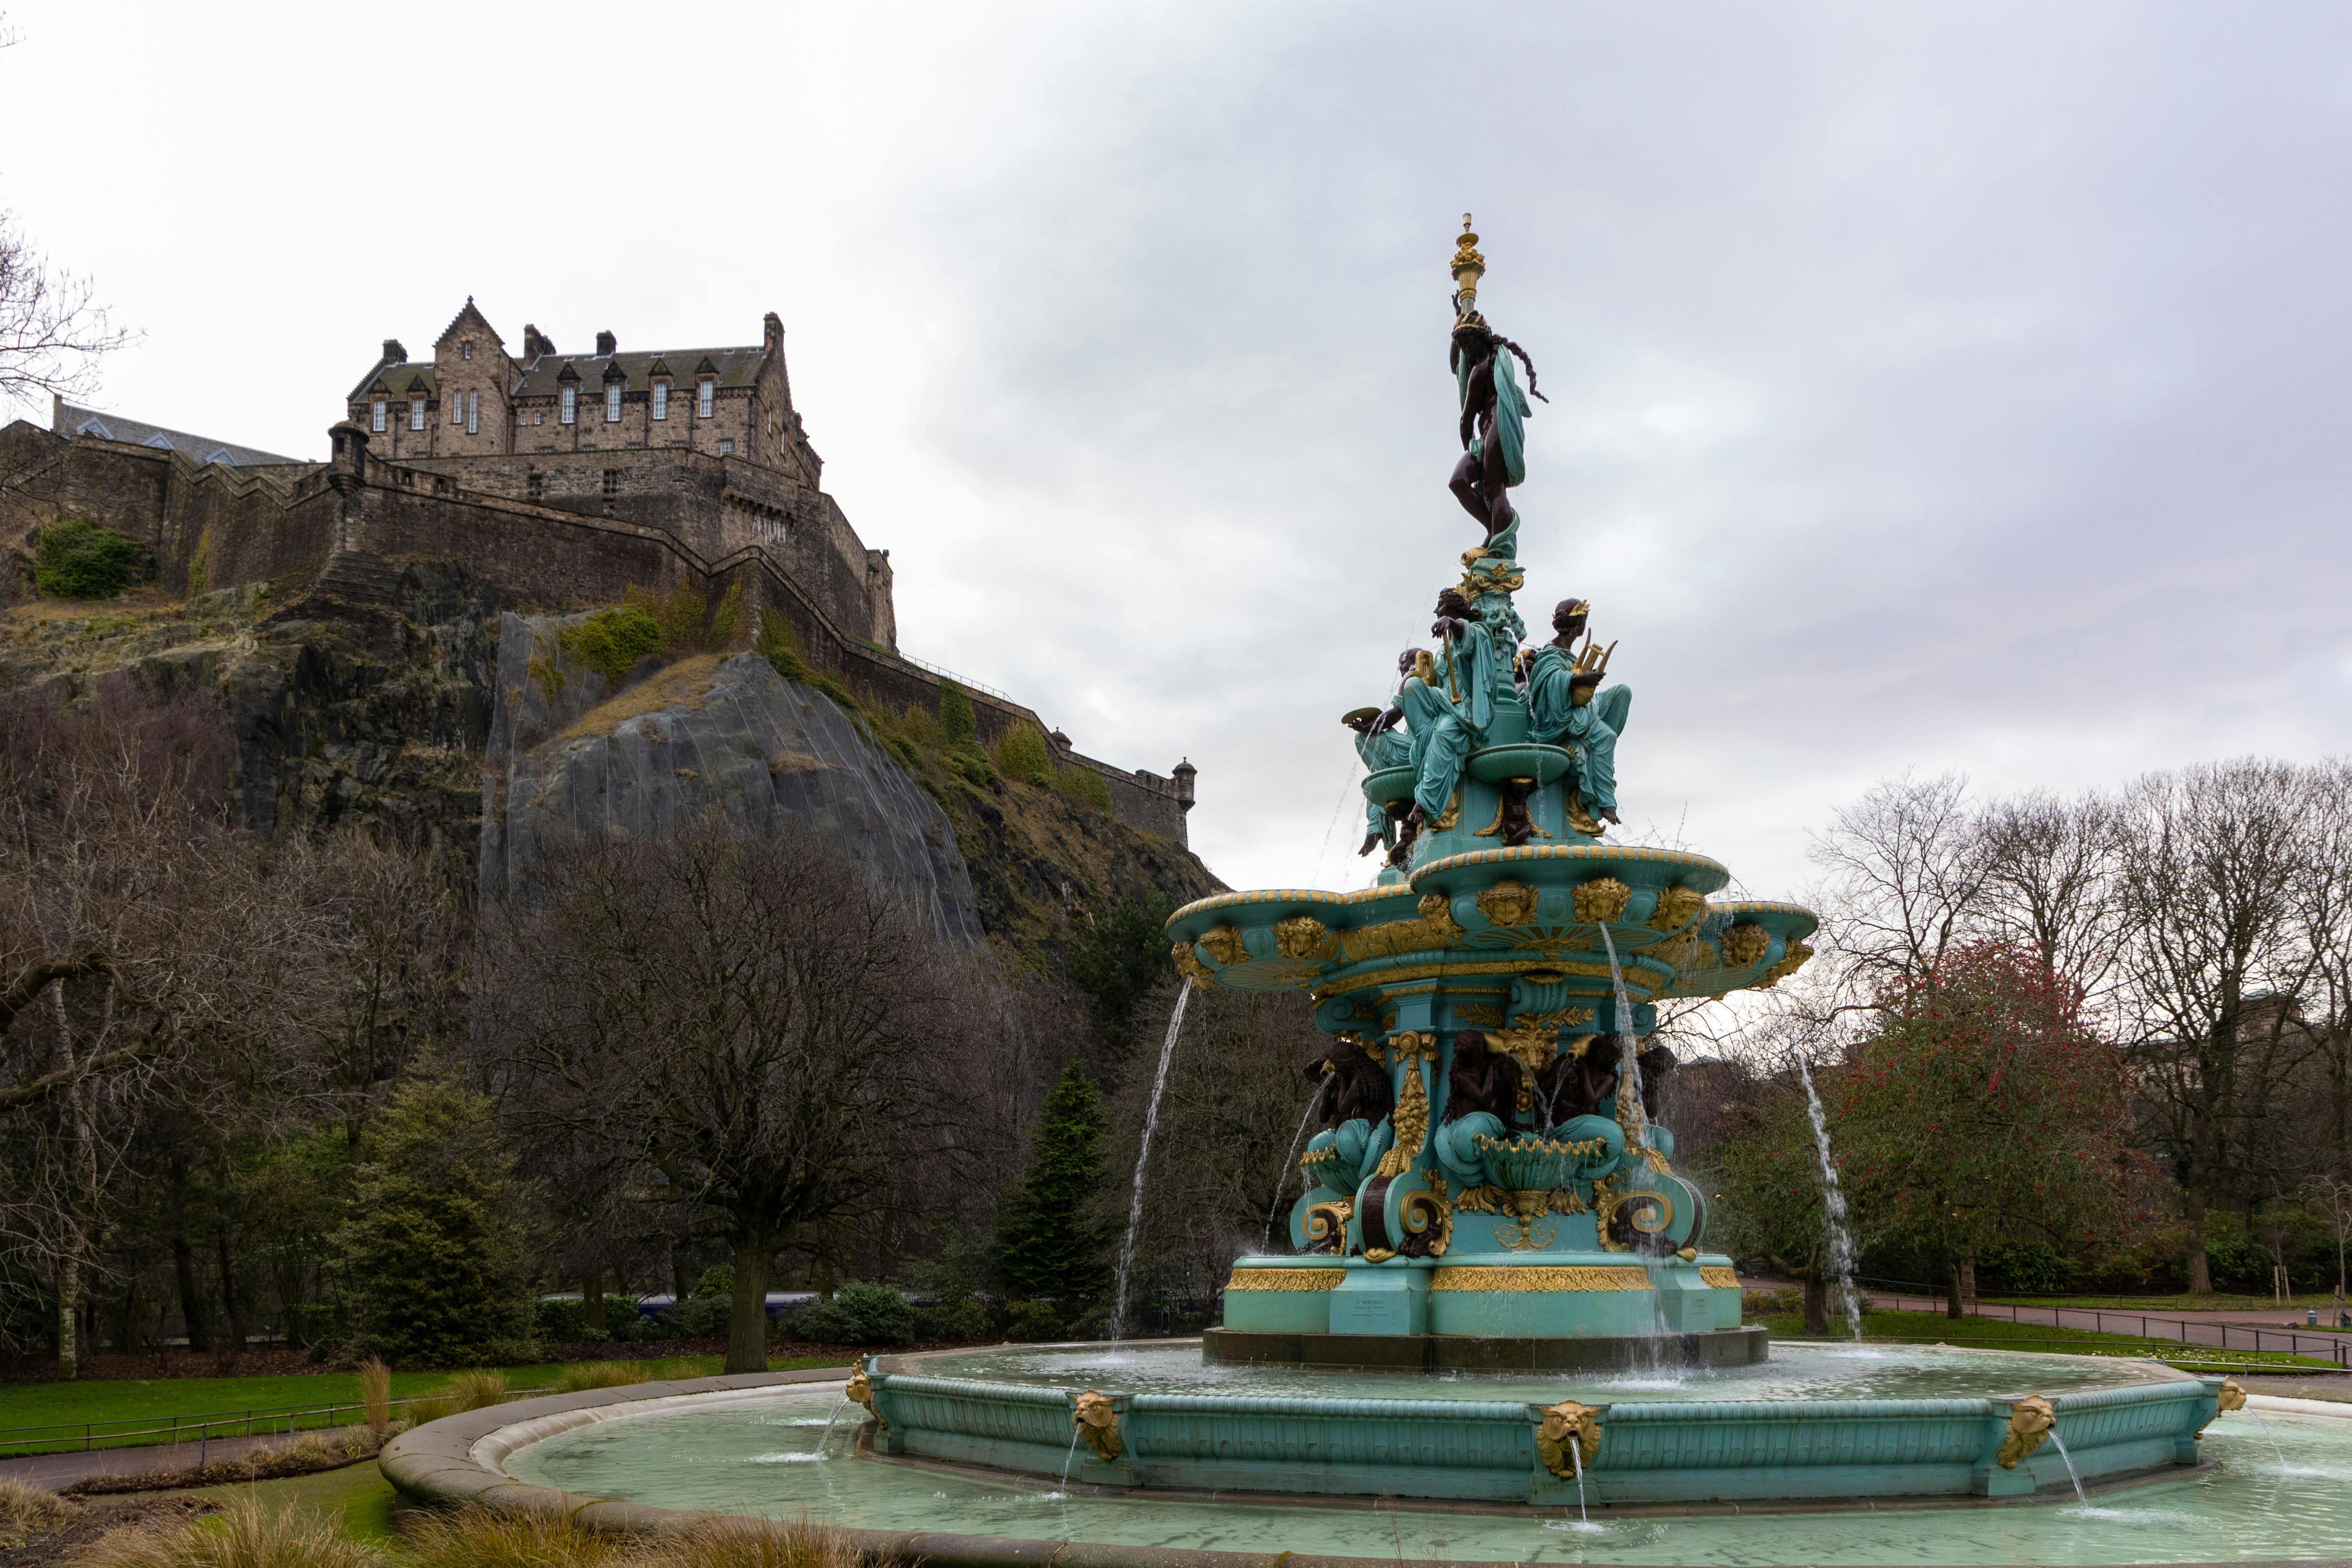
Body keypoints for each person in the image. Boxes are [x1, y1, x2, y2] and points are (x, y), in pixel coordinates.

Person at [1523, 598, 1631, 830]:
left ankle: (1593, 745)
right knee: (1606, 737)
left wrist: (1585, 680)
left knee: (1622, 693)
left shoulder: (1567, 653)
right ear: (1580, 626)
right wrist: (1582, 679)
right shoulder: (1550, 652)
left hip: (1582, 706)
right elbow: (1549, 683)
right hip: (1559, 715)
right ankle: (1605, 801)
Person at [1397, 588, 1500, 832]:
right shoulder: (1443, 649)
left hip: (1467, 709)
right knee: (1412, 687)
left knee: (1444, 733)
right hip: (1445, 703)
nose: (1436, 611)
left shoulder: (1477, 632)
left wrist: (1452, 623)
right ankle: (1425, 736)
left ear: (1454, 609)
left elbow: (1470, 641)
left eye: (1441, 605)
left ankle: (1424, 803)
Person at [1447, 314, 1546, 549]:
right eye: (1463, 345)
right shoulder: (1484, 362)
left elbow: (1466, 417)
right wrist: (1461, 314)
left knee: (1494, 488)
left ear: (1481, 339)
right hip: (1489, 431)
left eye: (1469, 343)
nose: (1467, 349)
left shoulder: (1483, 368)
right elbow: (1456, 366)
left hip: (1497, 427)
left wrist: (1471, 447)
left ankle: (1499, 542)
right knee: (1458, 482)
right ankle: (1495, 532)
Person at [1345, 651, 1417, 856]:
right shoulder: (1421, 680)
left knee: (1363, 742)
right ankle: (1377, 825)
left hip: (1415, 747)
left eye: (1406, 664)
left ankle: (1377, 825)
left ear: (1417, 663)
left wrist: (1367, 728)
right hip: (1413, 741)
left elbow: (1394, 715)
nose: (1402, 669)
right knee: (1377, 771)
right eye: (1401, 665)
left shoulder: (1413, 680)